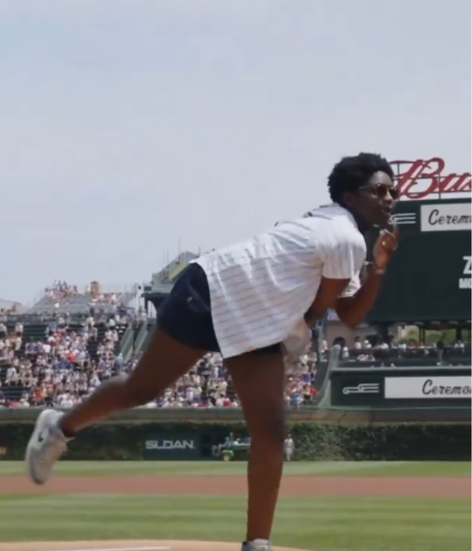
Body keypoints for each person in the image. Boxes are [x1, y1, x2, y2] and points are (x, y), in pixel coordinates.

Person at [25, 153, 400, 551]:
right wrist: (298, 333)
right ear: (348, 195)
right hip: (213, 291)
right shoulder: (344, 236)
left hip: (256, 320)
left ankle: (257, 543)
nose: (389, 197)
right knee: (141, 390)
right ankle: (57, 428)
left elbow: (350, 314)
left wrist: (379, 267)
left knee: (271, 431)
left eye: (393, 190)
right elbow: (324, 307)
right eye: (378, 190)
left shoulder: (348, 239)